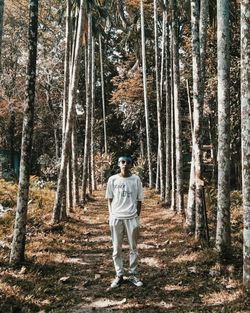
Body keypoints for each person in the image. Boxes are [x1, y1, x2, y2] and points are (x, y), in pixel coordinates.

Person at [105, 154, 144, 288]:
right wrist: (111, 215)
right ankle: (119, 275)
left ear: (131, 165)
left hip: (131, 218)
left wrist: (137, 217)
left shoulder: (136, 179)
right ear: (118, 164)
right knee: (116, 249)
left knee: (133, 248)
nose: (125, 164)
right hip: (116, 218)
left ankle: (133, 274)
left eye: (128, 162)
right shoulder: (112, 180)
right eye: (122, 162)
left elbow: (139, 200)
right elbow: (109, 198)